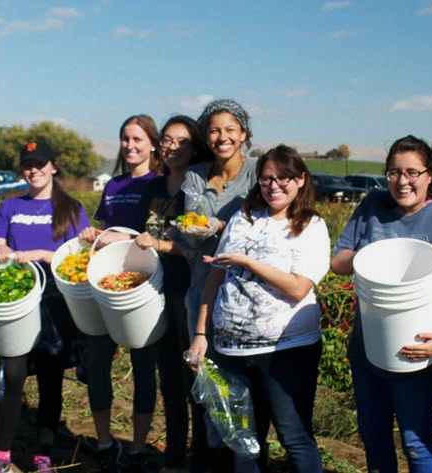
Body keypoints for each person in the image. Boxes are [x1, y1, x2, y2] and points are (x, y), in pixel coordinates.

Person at [328, 136, 432, 473]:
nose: (402, 181)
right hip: (367, 348)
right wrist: (370, 254)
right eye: (394, 172)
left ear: (430, 176)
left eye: (412, 172)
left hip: (418, 346)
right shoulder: (372, 206)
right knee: (372, 433)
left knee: (415, 438)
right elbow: (338, 263)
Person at [187, 145, 331, 473]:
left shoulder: (310, 225)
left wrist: (248, 261)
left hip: (285, 352)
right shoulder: (243, 217)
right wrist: (200, 333)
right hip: (229, 350)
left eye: (284, 178)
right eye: (266, 179)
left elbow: (298, 287)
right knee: (242, 440)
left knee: (294, 436)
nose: (274, 186)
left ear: (301, 179)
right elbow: (216, 276)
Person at [0, 140, 90, 473]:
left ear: (53, 167)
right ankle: (2, 454)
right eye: (28, 165)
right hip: (18, 303)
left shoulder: (72, 209)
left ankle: (43, 453)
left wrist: (45, 256)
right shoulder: (9, 207)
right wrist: (0, 250)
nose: (34, 170)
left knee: (50, 380)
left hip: (56, 305)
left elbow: (78, 259)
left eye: (40, 164)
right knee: (13, 377)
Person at [77, 114, 163, 472]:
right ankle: (104, 442)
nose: (130, 145)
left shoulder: (159, 185)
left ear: (153, 144)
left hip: (141, 284)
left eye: (138, 139)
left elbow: (160, 231)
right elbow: (102, 228)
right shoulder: (112, 185)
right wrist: (91, 236)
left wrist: (123, 238)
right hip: (106, 282)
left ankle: (138, 448)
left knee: (143, 367)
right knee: (97, 365)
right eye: (125, 139)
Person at [179, 99, 259, 470]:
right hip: (200, 286)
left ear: (243, 134)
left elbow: (263, 225)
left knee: (241, 379)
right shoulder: (195, 175)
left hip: (246, 292)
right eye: (213, 130)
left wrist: (221, 227)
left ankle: (245, 455)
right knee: (206, 375)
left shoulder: (258, 173)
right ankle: (212, 454)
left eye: (230, 129)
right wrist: (194, 230)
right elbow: (189, 232)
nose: (221, 137)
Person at [134, 115, 212, 473]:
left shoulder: (197, 193)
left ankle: (198, 461)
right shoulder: (152, 190)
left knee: (192, 379)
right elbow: (141, 238)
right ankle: (174, 461)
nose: (172, 147)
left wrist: (162, 245)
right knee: (168, 380)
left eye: (181, 141)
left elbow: (201, 247)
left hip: (187, 291)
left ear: (194, 148)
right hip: (155, 290)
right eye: (167, 139)